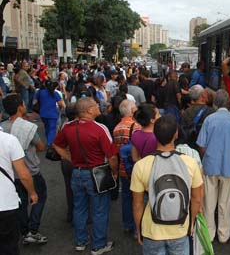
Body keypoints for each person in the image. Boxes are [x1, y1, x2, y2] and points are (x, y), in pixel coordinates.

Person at [53, 97, 118, 254]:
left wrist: (71, 159)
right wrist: (114, 172)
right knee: (100, 209)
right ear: (89, 110)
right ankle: (99, 244)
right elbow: (112, 156)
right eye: (96, 105)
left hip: (77, 172)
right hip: (97, 173)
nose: (99, 107)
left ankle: (80, 241)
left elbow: (57, 145)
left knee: (79, 207)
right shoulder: (99, 129)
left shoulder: (68, 127)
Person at [130, 115, 203, 255]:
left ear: (154, 134)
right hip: (180, 229)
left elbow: (137, 204)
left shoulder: (141, 165)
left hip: (152, 231)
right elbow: (196, 199)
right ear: (176, 134)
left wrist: (139, 230)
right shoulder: (190, 163)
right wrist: (191, 223)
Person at [196, 89, 230, 243]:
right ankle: (224, 235)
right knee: (225, 202)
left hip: (210, 166)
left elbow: (201, 145)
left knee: (209, 203)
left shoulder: (209, 119)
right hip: (229, 168)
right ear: (228, 103)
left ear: (215, 103)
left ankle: (209, 235)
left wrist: (208, 158)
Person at [1, 94, 47, 245]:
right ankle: (33, 230)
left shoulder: (3, 127)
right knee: (38, 197)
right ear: (20, 107)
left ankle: (24, 231)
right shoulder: (27, 126)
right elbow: (40, 147)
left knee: (20, 203)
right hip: (30, 171)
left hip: (11, 174)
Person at [0, 121, 38, 255]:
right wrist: (32, 192)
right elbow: (23, 174)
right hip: (5, 204)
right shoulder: (9, 140)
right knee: (9, 246)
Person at [113, 100, 140, 235]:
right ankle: (137, 228)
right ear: (131, 111)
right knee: (137, 198)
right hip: (135, 168)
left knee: (125, 197)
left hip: (123, 168)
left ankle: (127, 224)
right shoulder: (136, 126)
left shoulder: (117, 128)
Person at [34, 80, 65, 148]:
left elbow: (34, 102)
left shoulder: (39, 92)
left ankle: (49, 140)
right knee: (52, 129)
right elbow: (60, 104)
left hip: (42, 113)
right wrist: (60, 109)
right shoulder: (55, 93)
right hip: (53, 113)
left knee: (47, 127)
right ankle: (50, 142)